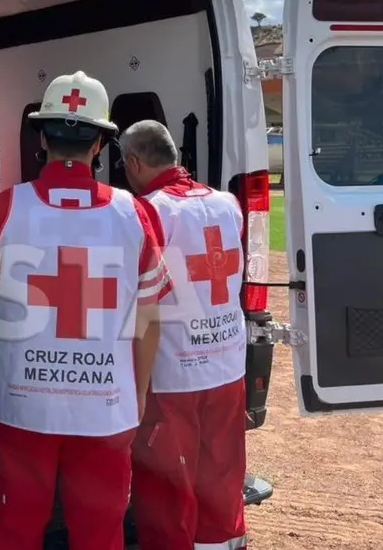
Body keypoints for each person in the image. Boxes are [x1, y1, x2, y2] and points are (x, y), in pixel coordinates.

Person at [0, 71, 172, 550]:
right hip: (105, 416)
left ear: (43, 137)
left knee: (9, 535)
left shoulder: (8, 208)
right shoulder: (134, 213)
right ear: (99, 145)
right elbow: (149, 321)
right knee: (100, 536)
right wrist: (135, 398)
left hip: (21, 413)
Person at [118, 119, 250, 550]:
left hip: (173, 373)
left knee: (166, 492)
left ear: (135, 162)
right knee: (222, 480)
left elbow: (139, 297)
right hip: (228, 366)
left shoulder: (148, 210)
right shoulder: (228, 203)